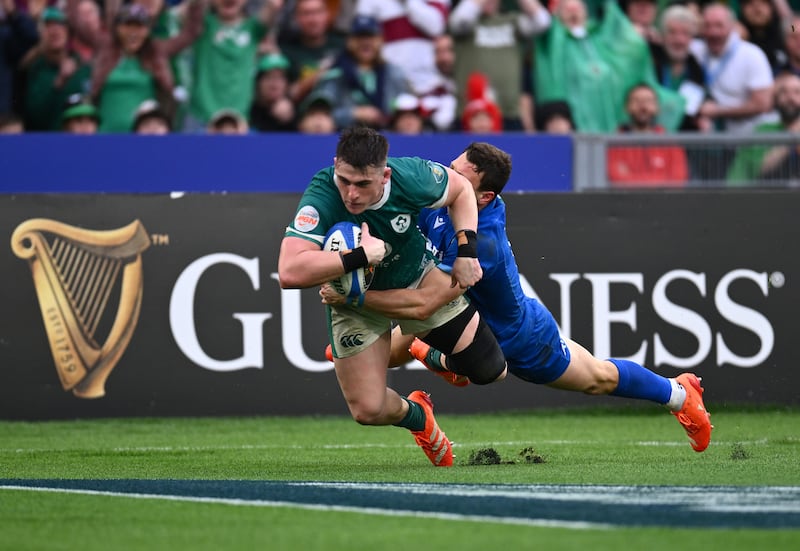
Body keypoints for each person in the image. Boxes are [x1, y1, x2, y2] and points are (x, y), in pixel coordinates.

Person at [321, 141, 713, 453]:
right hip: (465, 316)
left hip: (519, 338)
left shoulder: (483, 243)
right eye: (450, 167)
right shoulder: (444, 198)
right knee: (389, 353)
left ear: (485, 197)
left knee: (598, 378)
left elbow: (427, 302)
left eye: (457, 174)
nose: (447, 177)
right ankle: (438, 368)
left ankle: (679, 395)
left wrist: (352, 296)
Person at [278, 126, 507, 467]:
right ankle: (419, 416)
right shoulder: (323, 191)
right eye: (345, 180)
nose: (351, 194)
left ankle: (425, 352)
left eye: (363, 184)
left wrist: (466, 251)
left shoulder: (410, 175)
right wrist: (359, 258)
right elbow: (289, 271)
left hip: (414, 277)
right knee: (367, 411)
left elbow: (461, 190)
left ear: (384, 176)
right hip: (354, 303)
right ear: (335, 165)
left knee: (490, 370)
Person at [448, 0, 550, 131]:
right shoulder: (465, 25)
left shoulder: (512, 22)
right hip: (470, 117)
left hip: (508, 114)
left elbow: (542, 22)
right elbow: (460, 19)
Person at [309, 14, 410, 130]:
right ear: (349, 41)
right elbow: (319, 115)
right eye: (360, 37)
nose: (366, 43)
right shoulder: (336, 73)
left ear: (381, 40)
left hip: (389, 139)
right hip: (344, 139)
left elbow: (407, 110)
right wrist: (353, 113)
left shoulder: (394, 74)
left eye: (371, 37)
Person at [690, 2, 776, 135]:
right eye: (707, 25)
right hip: (713, 139)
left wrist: (718, 111)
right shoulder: (695, 50)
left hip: (752, 138)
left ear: (732, 27)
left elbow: (763, 104)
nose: (713, 32)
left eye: (719, 25)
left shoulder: (752, 54)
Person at [19, 6, 91, 131]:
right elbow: (33, 118)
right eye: (48, 26)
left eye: (60, 24)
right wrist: (58, 84)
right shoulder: (32, 70)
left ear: (68, 31)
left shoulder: (84, 68)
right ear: (39, 33)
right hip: (45, 145)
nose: (55, 31)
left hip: (80, 144)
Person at [607, 82, 690, 187]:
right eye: (636, 101)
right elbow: (615, 179)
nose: (643, 107)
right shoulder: (614, 142)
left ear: (657, 108)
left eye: (648, 101)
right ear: (627, 107)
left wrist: (631, 178)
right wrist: (661, 178)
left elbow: (678, 179)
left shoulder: (670, 142)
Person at [726, 72, 800, 185]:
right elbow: (756, 170)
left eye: (797, 92)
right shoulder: (763, 131)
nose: (790, 98)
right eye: (783, 92)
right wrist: (792, 134)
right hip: (770, 197)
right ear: (776, 99)